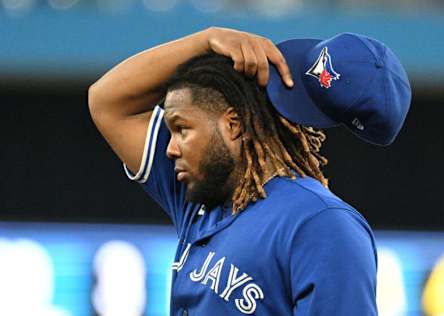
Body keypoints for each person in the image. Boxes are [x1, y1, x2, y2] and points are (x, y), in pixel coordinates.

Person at [88, 27, 410, 315]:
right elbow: (107, 101)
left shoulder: (321, 223)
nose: (171, 149)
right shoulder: (199, 196)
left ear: (233, 124)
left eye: (182, 129)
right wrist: (205, 40)